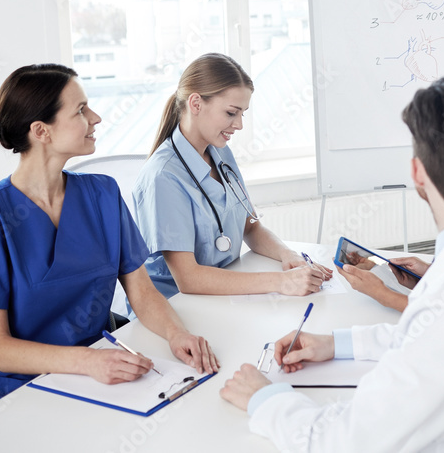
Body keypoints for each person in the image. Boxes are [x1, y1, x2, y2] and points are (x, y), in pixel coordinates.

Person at [219, 74, 444, 451]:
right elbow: (428, 336)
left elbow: (348, 441)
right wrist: (336, 344)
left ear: (417, 173)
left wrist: (264, 399)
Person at [0, 64, 218, 414]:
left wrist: (177, 335)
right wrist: (86, 362)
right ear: (42, 131)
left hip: (99, 372)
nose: (95, 117)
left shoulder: (102, 194)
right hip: (17, 391)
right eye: (81, 110)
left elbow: (143, 293)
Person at [132, 53, 331, 298]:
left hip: (224, 294)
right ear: (196, 104)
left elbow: (251, 226)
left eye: (242, 114)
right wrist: (281, 282)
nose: (239, 125)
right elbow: (188, 279)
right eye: (230, 113)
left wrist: (288, 255)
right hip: (177, 307)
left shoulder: (220, 153)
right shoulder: (163, 177)